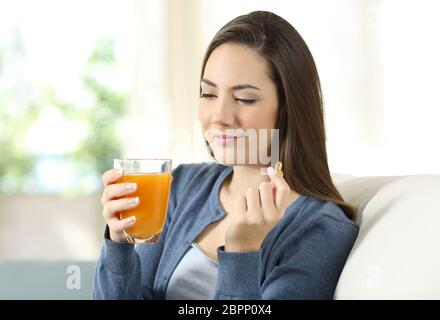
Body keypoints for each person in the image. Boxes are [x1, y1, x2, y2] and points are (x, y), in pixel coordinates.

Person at [92, 10, 359, 300]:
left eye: (244, 99)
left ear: (288, 108)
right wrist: (119, 243)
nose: (219, 116)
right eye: (208, 94)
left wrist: (242, 251)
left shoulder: (320, 230)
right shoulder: (183, 185)